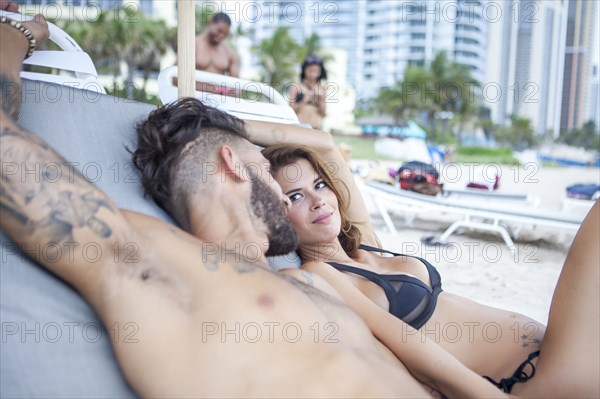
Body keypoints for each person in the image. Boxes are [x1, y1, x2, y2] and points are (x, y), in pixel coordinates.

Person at [0, 5, 506, 398]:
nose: (287, 197)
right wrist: (21, 33)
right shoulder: (158, 262)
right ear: (233, 164)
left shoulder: (307, 279)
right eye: (267, 170)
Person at [262, 142, 600, 397]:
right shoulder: (321, 273)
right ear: (275, 213)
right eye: (295, 197)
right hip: (530, 376)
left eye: (320, 185)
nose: (318, 200)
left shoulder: (362, 244)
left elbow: (322, 143)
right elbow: (410, 345)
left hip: (550, 350)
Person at [194, 12, 238, 77]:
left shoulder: (228, 53)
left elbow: (236, 82)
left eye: (225, 34)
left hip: (218, 87)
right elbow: (175, 76)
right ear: (211, 22)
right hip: (194, 87)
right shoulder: (194, 44)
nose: (221, 36)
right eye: (219, 31)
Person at [288, 55, 327, 129]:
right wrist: (305, 100)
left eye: (316, 71)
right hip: (298, 126)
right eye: (310, 71)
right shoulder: (296, 87)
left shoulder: (321, 89)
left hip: (315, 127)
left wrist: (321, 100)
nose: (312, 74)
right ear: (304, 70)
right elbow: (290, 111)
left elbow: (323, 114)